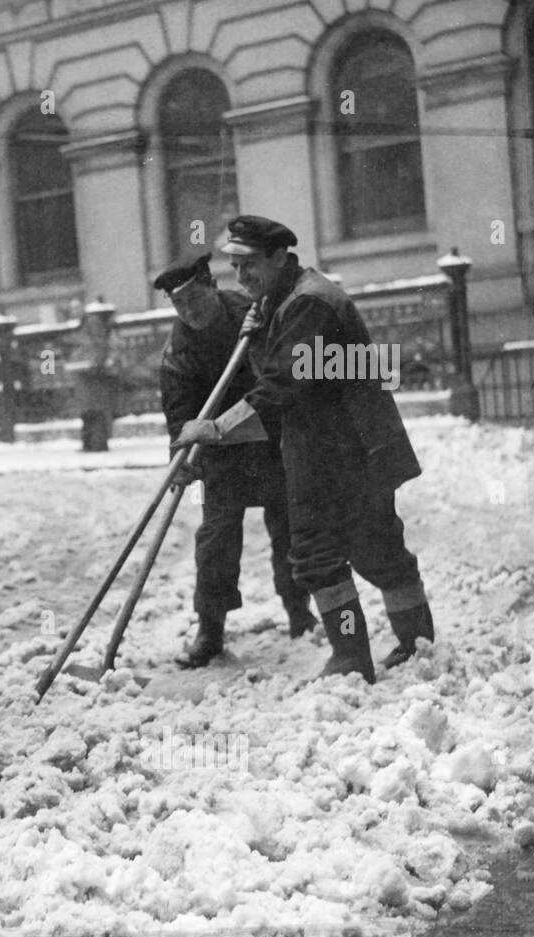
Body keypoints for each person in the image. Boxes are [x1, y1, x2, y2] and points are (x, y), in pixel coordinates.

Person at [172, 215, 433, 684]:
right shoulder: (289, 298)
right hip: (334, 446)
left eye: (250, 264)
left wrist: (213, 429)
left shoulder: (308, 304)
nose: (242, 276)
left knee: (324, 551)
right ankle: (414, 644)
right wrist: (264, 316)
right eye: (235, 266)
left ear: (279, 257)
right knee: (373, 547)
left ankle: (355, 657)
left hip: (344, 451)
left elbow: (278, 392)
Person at [155, 251, 314, 667]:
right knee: (216, 539)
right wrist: (181, 454)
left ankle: (301, 613)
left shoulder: (253, 314)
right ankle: (210, 629)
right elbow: (179, 413)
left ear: (212, 286)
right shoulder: (179, 351)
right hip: (222, 453)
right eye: (179, 304)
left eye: (195, 298)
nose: (189, 311)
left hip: (270, 439)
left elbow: (285, 369)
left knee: (290, 529)